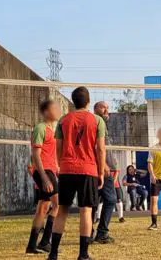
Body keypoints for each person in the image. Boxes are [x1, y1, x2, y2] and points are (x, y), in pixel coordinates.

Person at [49, 87, 106, 260]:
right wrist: (101, 172)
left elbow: (57, 146)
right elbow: (101, 149)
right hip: (88, 170)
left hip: (67, 169)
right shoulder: (97, 121)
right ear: (88, 101)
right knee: (86, 211)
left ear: (74, 101)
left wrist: (60, 164)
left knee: (62, 211)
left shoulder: (64, 120)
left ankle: (53, 254)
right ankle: (83, 255)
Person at [25, 100, 61, 254]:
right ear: (46, 112)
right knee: (58, 205)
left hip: (50, 171)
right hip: (44, 171)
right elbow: (35, 154)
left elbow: (50, 153)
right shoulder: (40, 128)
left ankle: (32, 246)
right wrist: (44, 178)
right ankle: (45, 242)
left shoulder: (50, 130)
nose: (58, 110)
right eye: (55, 108)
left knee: (43, 208)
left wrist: (57, 168)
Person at [91, 100, 117, 243]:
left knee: (93, 202)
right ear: (95, 109)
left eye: (108, 108)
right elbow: (95, 146)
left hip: (101, 169)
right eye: (103, 107)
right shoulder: (96, 122)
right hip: (99, 169)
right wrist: (104, 165)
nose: (106, 110)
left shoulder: (103, 124)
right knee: (110, 200)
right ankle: (100, 233)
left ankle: (90, 234)